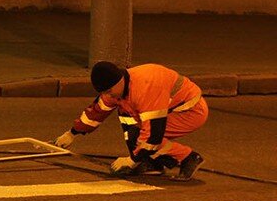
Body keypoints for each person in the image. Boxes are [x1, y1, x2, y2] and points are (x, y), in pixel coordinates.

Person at [53, 61, 208, 180]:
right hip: (170, 109)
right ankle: (153, 163)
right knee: (129, 123)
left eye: (109, 91)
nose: (108, 96)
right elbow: (96, 112)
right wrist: (71, 133)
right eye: (104, 92)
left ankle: (188, 157)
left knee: (143, 137)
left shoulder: (145, 88)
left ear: (119, 81)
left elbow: (153, 134)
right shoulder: (114, 90)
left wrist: (132, 160)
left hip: (190, 111)